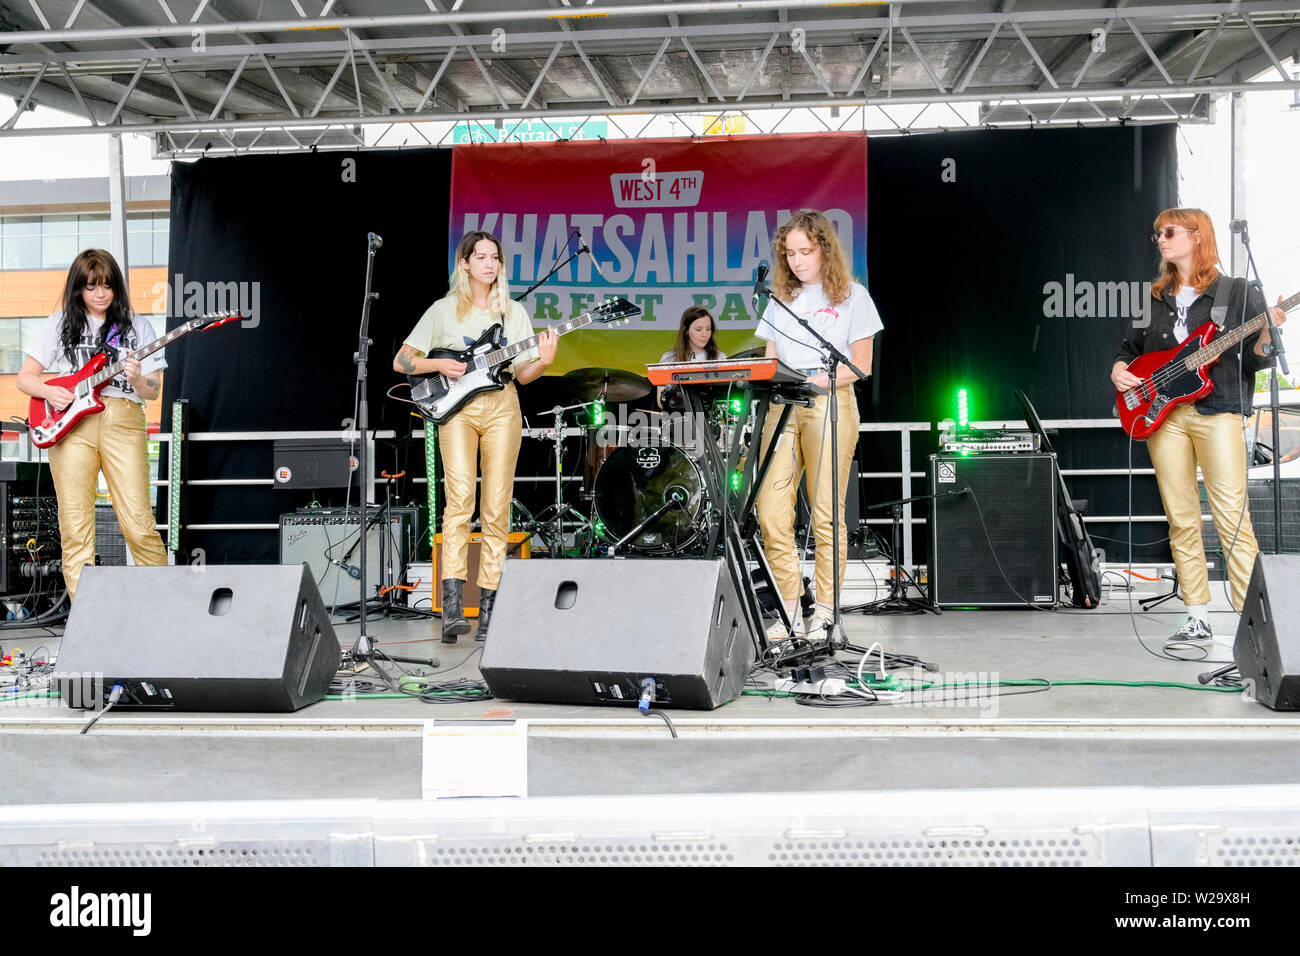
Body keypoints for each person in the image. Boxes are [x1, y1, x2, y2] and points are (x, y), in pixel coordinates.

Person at [1111, 208, 1287, 649]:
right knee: (1181, 516)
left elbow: (1258, 356)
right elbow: (1129, 349)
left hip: (1219, 408)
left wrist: (1268, 331)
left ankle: (1256, 623)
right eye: (1158, 235)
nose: (1161, 240)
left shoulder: (1237, 292)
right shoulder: (1152, 297)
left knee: (1232, 516)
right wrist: (1118, 370)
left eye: (1168, 232)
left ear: (1196, 235)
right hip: (1163, 414)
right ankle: (1196, 617)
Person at [395, 231, 557, 643]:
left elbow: (523, 373)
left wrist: (545, 360)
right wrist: (438, 365)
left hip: (503, 406)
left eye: (495, 258)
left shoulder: (513, 312)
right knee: (460, 501)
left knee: (497, 505)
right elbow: (401, 360)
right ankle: (452, 606)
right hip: (457, 411)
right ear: (464, 263)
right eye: (481, 257)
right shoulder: (443, 310)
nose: (490, 263)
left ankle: (490, 610)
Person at [754, 211, 882, 638]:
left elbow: (860, 366)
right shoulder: (779, 298)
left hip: (830, 402)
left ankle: (826, 610)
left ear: (825, 249)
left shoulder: (853, 297)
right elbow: (771, 358)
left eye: (805, 251)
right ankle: (790, 611)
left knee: (826, 514)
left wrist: (815, 378)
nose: (796, 260)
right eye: (789, 253)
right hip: (781, 405)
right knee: (771, 514)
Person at [16, 249, 170, 602]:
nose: (100, 294)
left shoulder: (137, 325)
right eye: (90, 286)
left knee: (137, 521)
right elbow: (25, 379)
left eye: (107, 286)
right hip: (70, 425)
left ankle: (163, 605)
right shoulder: (59, 323)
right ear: (78, 289)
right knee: (75, 525)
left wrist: (135, 379)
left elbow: (154, 391)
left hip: (123, 420)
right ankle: (86, 615)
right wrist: (50, 394)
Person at [656, 305, 727, 408]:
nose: (704, 334)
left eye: (708, 329)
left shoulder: (720, 358)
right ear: (686, 330)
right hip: (677, 418)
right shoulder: (668, 359)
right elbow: (661, 402)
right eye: (698, 329)